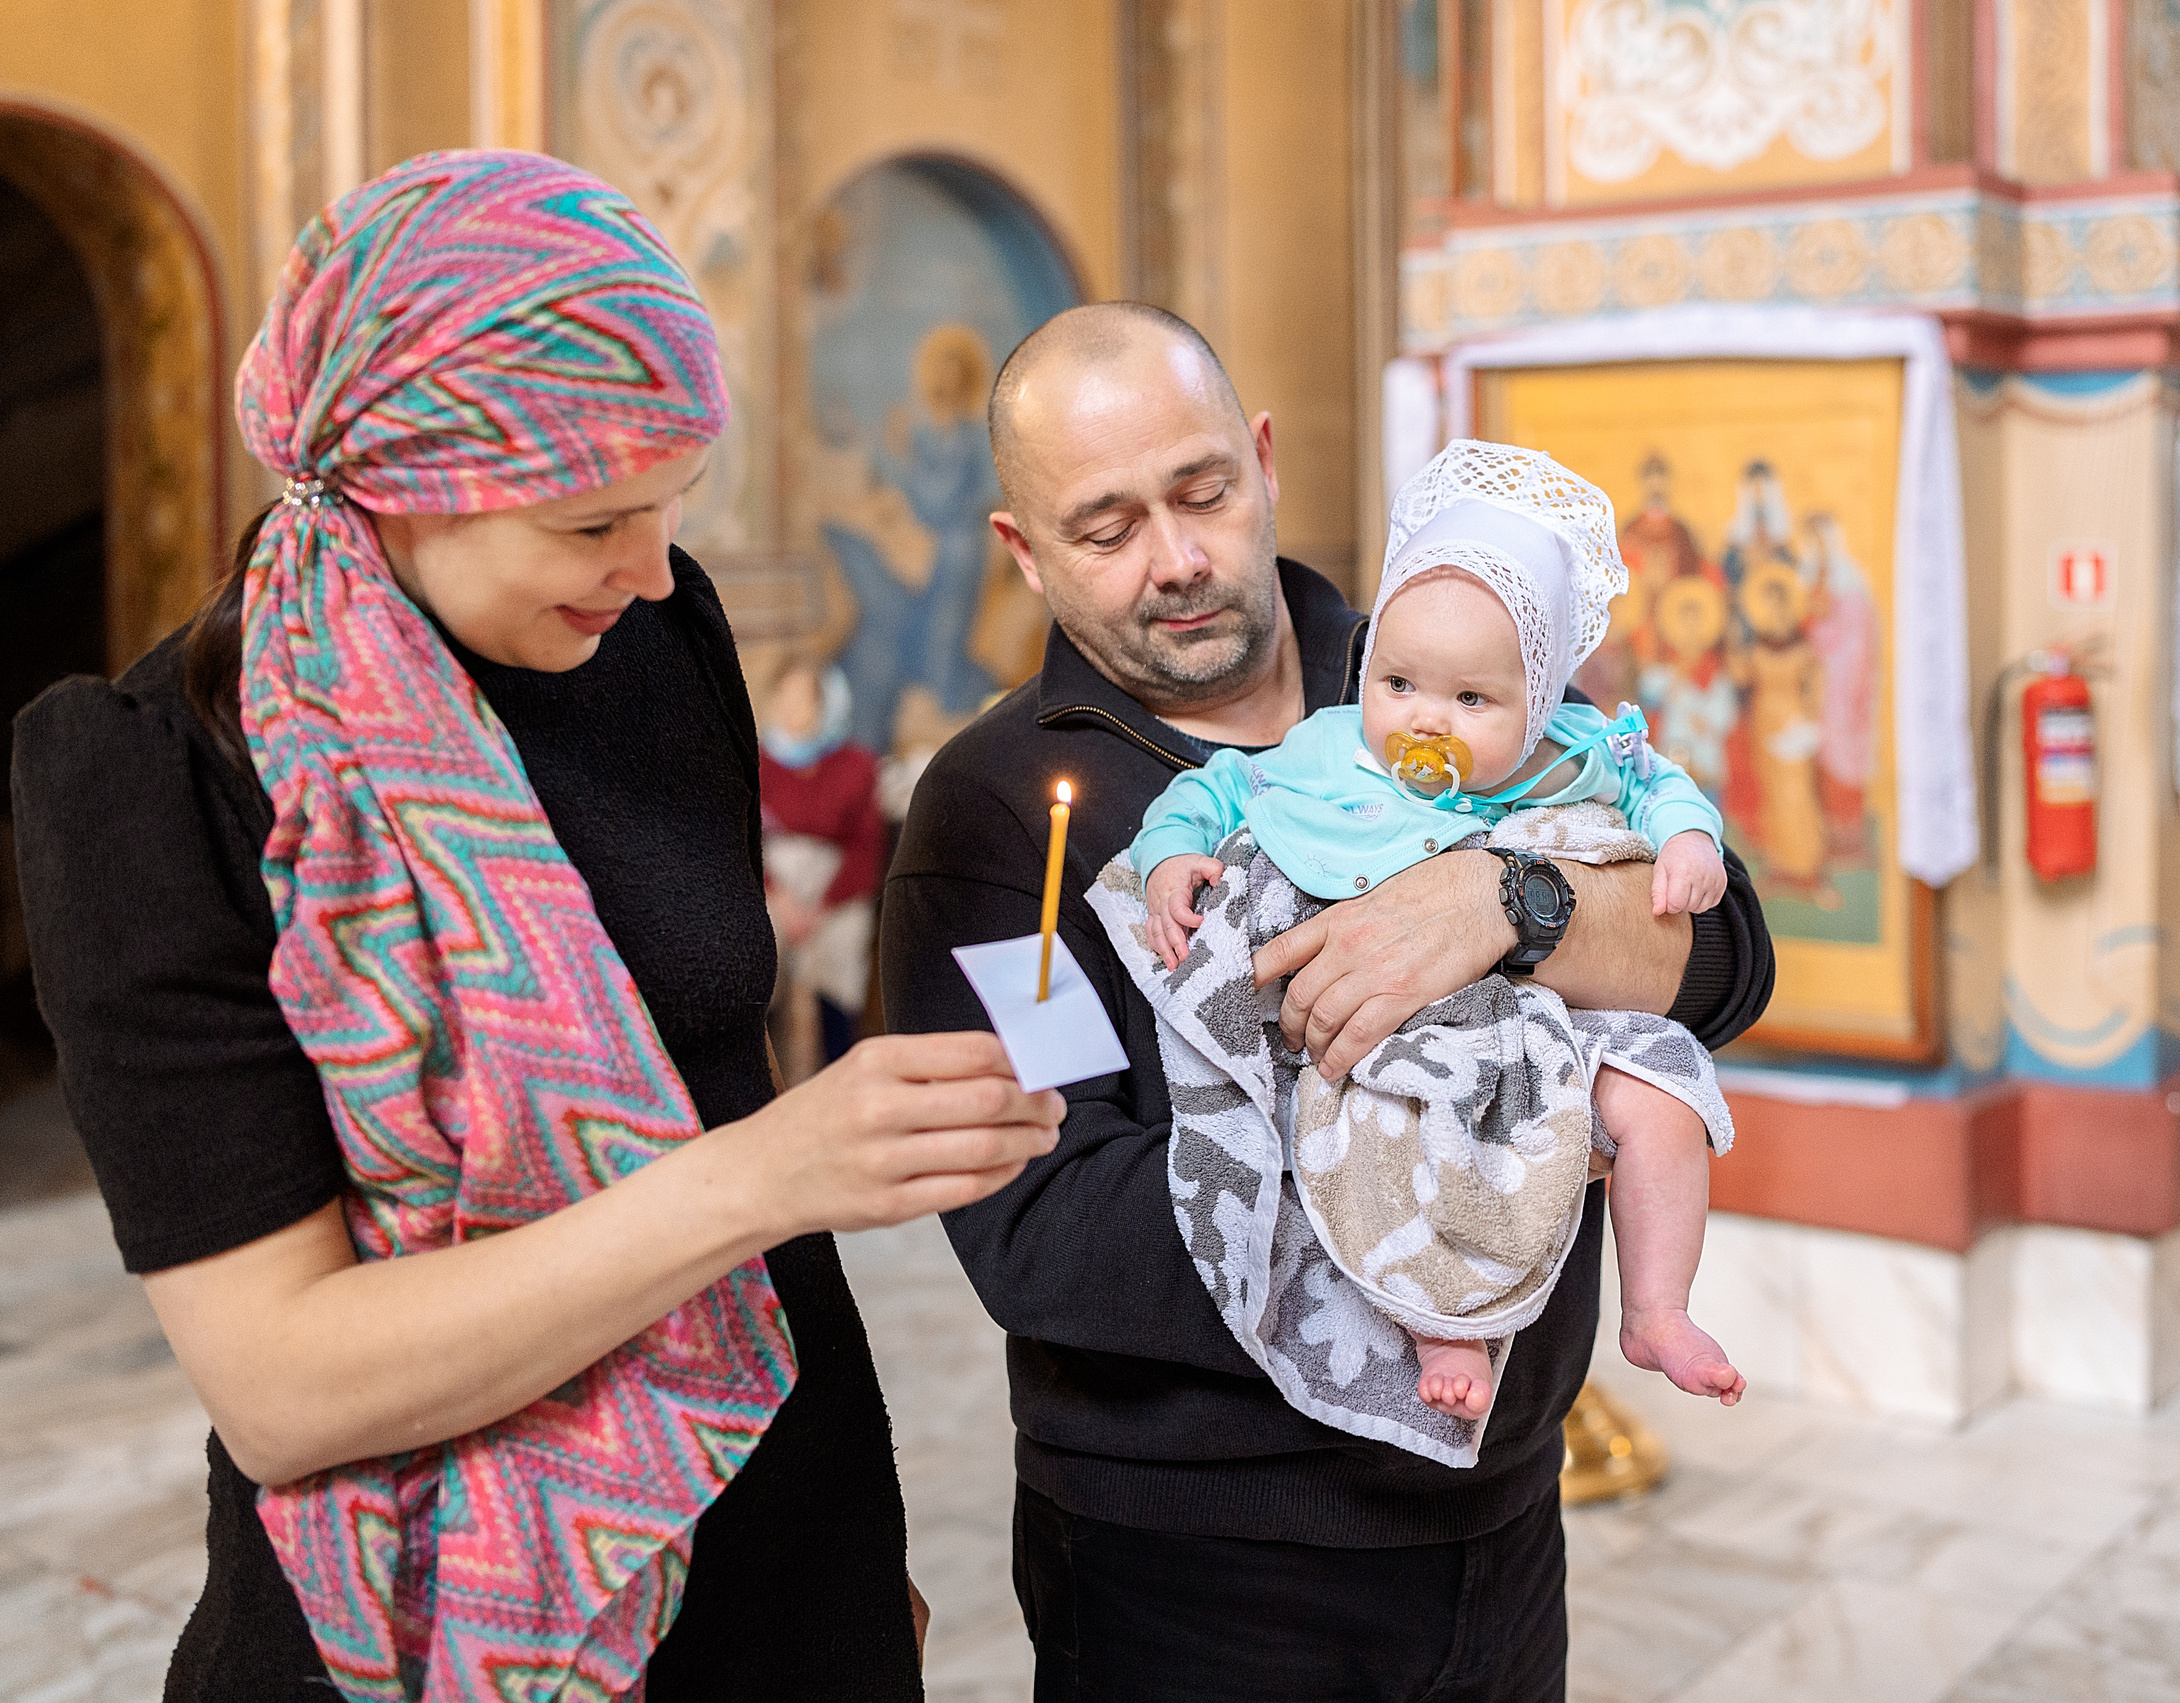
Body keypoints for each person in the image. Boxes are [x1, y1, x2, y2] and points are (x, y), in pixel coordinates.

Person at [9, 150, 1062, 1701]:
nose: (651, 565)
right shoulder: (158, 778)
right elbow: (285, 1386)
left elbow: (700, 1054)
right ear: (398, 480)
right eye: (591, 522)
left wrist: (846, 1562)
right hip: (438, 1606)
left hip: (781, 1539)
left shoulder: (655, 637)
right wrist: (769, 1173)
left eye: (673, 503)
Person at [880, 301, 1774, 1701]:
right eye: (1106, 528)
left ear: (1264, 457)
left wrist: (1509, 904)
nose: (1177, 559)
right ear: (1024, 547)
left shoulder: (1442, 656)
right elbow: (1041, 1223)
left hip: (1502, 1517)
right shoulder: (999, 814)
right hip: (1196, 1560)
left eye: (1202, 491)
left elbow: (1722, 961)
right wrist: (1458, 1176)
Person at [1131, 440, 1743, 1423]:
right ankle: (1441, 1320)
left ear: (1537, 702)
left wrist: (1687, 842)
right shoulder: (1329, 749)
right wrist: (1170, 856)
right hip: (1400, 1033)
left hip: (1537, 1021)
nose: (1425, 721)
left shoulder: (1568, 755)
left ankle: (1658, 1308)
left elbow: (1656, 782)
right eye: (1399, 683)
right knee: (1394, 1124)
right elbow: (1214, 789)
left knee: (1666, 1087)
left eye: (1471, 699)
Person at [759, 658, 890, 1071]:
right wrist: (781, 899)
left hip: (834, 893)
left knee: (838, 959)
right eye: (784, 697)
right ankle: (767, 1072)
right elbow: (740, 838)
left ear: (827, 704)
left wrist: (820, 909)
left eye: (804, 699)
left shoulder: (857, 766)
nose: (791, 709)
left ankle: (839, 1064)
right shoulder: (755, 762)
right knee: (760, 949)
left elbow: (865, 847)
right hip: (770, 885)